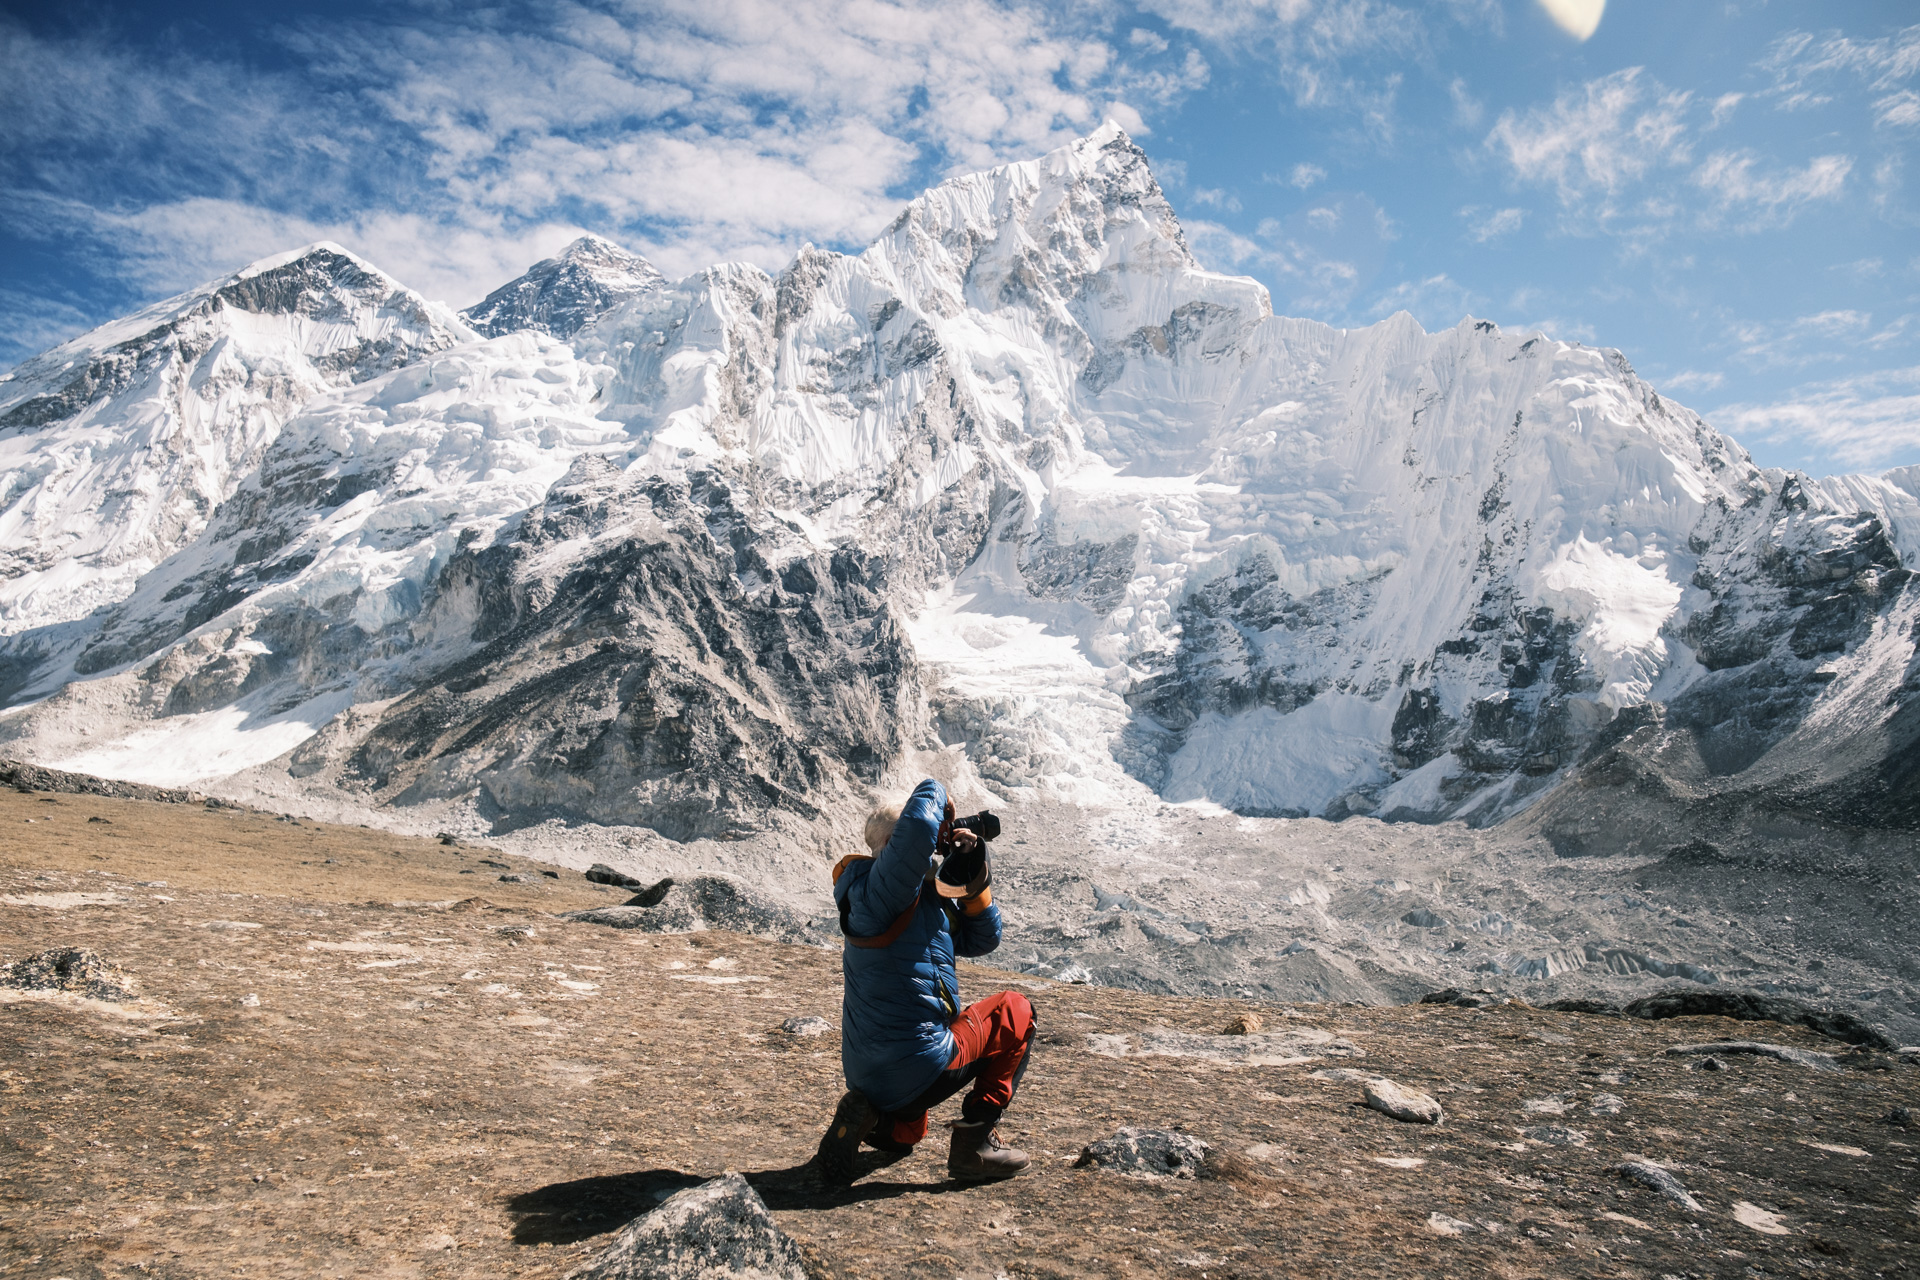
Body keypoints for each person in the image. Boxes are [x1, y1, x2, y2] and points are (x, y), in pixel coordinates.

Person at [813, 777, 1034, 1184]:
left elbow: (984, 939)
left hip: (868, 1073)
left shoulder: (910, 898)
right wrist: (940, 792)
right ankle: (975, 1144)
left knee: (910, 1132)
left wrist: (970, 879)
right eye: (933, 841)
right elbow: (914, 828)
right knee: (1014, 1010)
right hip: (916, 1060)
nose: (935, 846)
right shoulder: (881, 891)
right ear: (900, 847)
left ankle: (873, 1120)